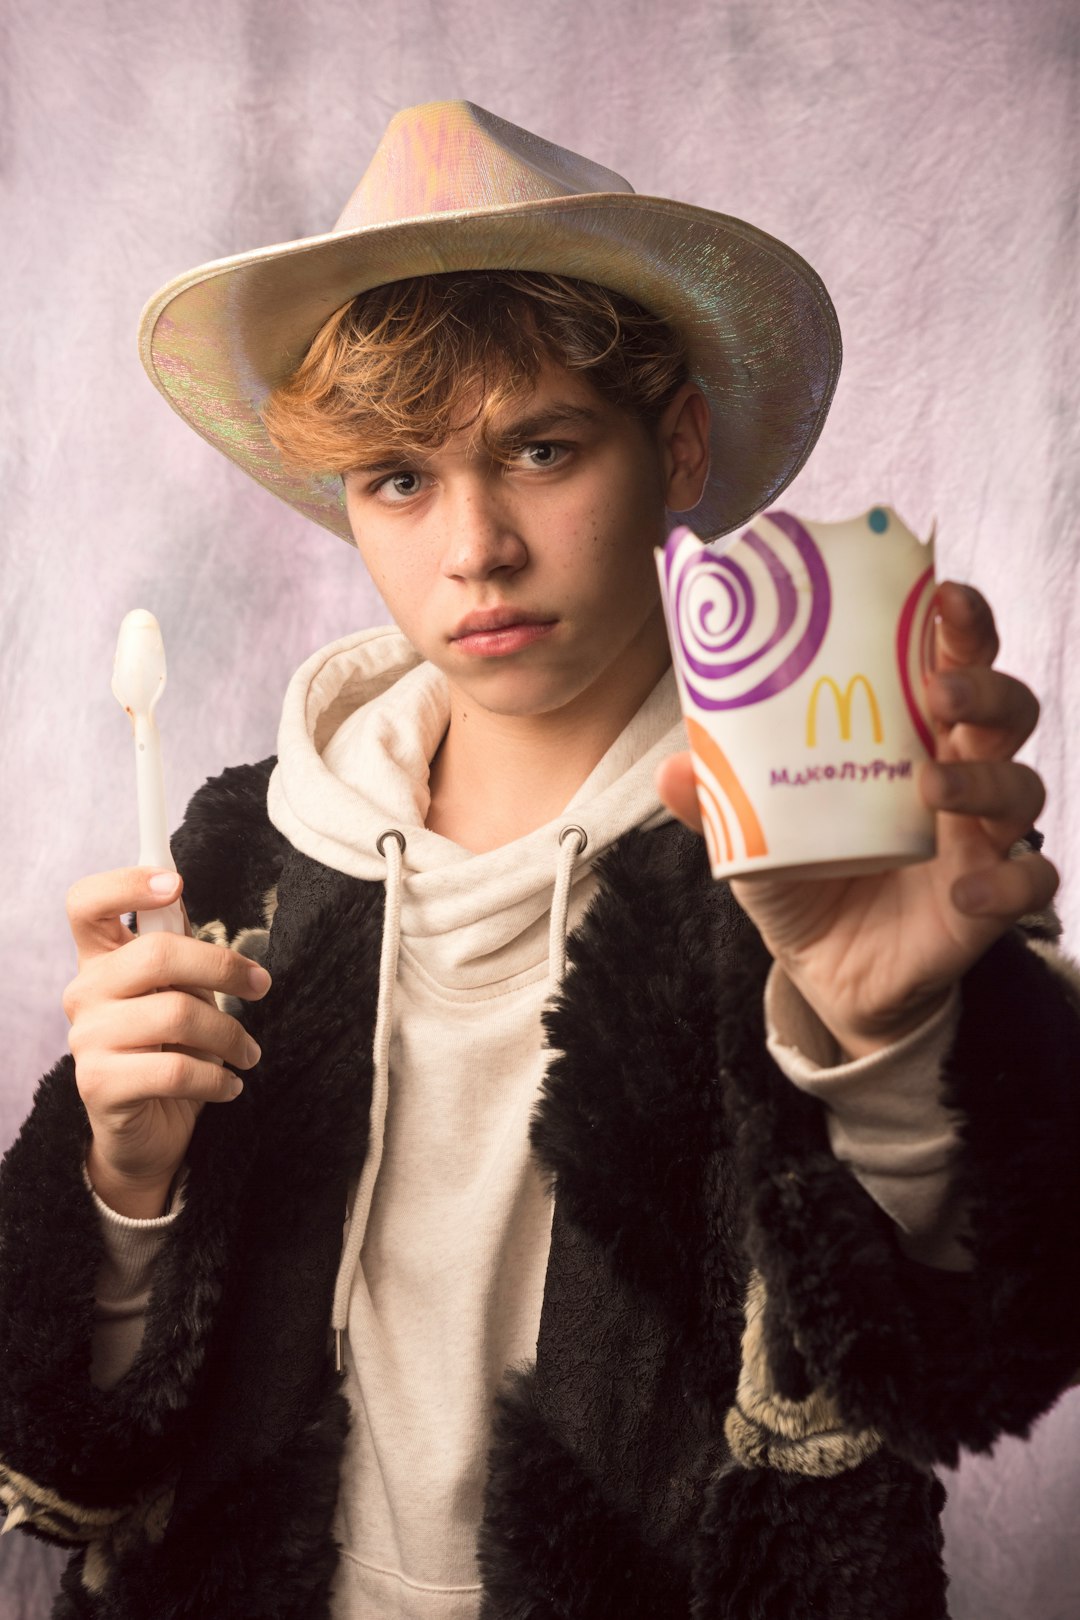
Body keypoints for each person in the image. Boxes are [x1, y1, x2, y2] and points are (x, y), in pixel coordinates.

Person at [0, 101, 1077, 1620]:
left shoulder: (832, 827)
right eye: (398, 479)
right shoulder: (243, 856)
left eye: (543, 448)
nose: (476, 547)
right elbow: (70, 1451)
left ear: (677, 443)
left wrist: (889, 1042)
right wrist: (122, 1182)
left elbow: (984, 1357)